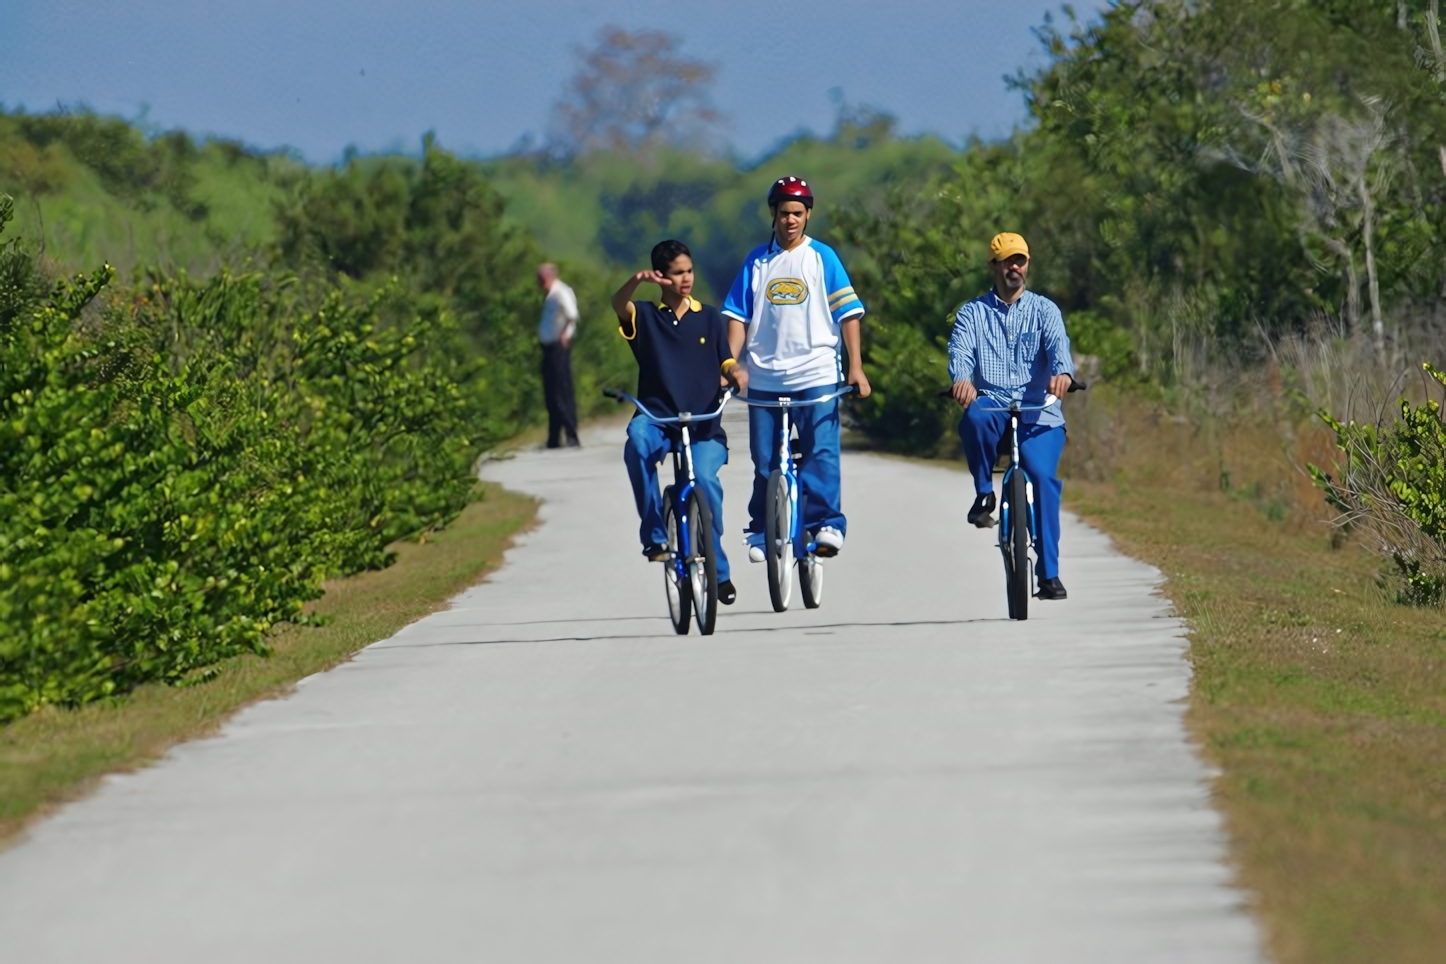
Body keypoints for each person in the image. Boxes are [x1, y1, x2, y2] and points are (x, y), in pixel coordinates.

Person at [722, 175, 870, 564]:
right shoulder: (757, 262)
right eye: (785, 213)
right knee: (765, 460)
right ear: (773, 214)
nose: (791, 221)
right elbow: (737, 316)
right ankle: (761, 527)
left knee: (821, 452)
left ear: (808, 216)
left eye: (798, 214)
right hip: (765, 378)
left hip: (816, 374)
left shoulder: (822, 258)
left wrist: (856, 366)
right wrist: (730, 362)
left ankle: (827, 524)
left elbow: (848, 313)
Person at [947, 232, 1077, 600]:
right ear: (993, 266)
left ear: (1027, 264)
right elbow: (960, 351)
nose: (1014, 268)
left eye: (1019, 260)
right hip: (992, 401)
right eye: (1006, 261)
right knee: (974, 416)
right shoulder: (973, 312)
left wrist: (1063, 373)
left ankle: (1049, 574)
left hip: (1039, 408)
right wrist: (961, 380)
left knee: (1042, 479)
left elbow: (1058, 346)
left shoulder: (1045, 310)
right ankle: (984, 494)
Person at [611, 239, 738, 605]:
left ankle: (720, 573)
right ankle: (653, 534)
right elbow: (618, 305)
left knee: (706, 484)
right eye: (678, 273)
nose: (686, 279)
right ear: (662, 278)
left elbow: (725, 360)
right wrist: (636, 281)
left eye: (689, 271)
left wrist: (735, 372)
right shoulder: (646, 316)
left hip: (703, 423)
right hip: (656, 418)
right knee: (636, 443)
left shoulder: (709, 316)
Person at [537, 262, 580, 448]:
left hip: (558, 347)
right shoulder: (550, 296)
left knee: (562, 390)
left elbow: (572, 315)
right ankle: (554, 437)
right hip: (548, 347)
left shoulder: (561, 292)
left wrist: (565, 335)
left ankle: (571, 434)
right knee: (551, 392)